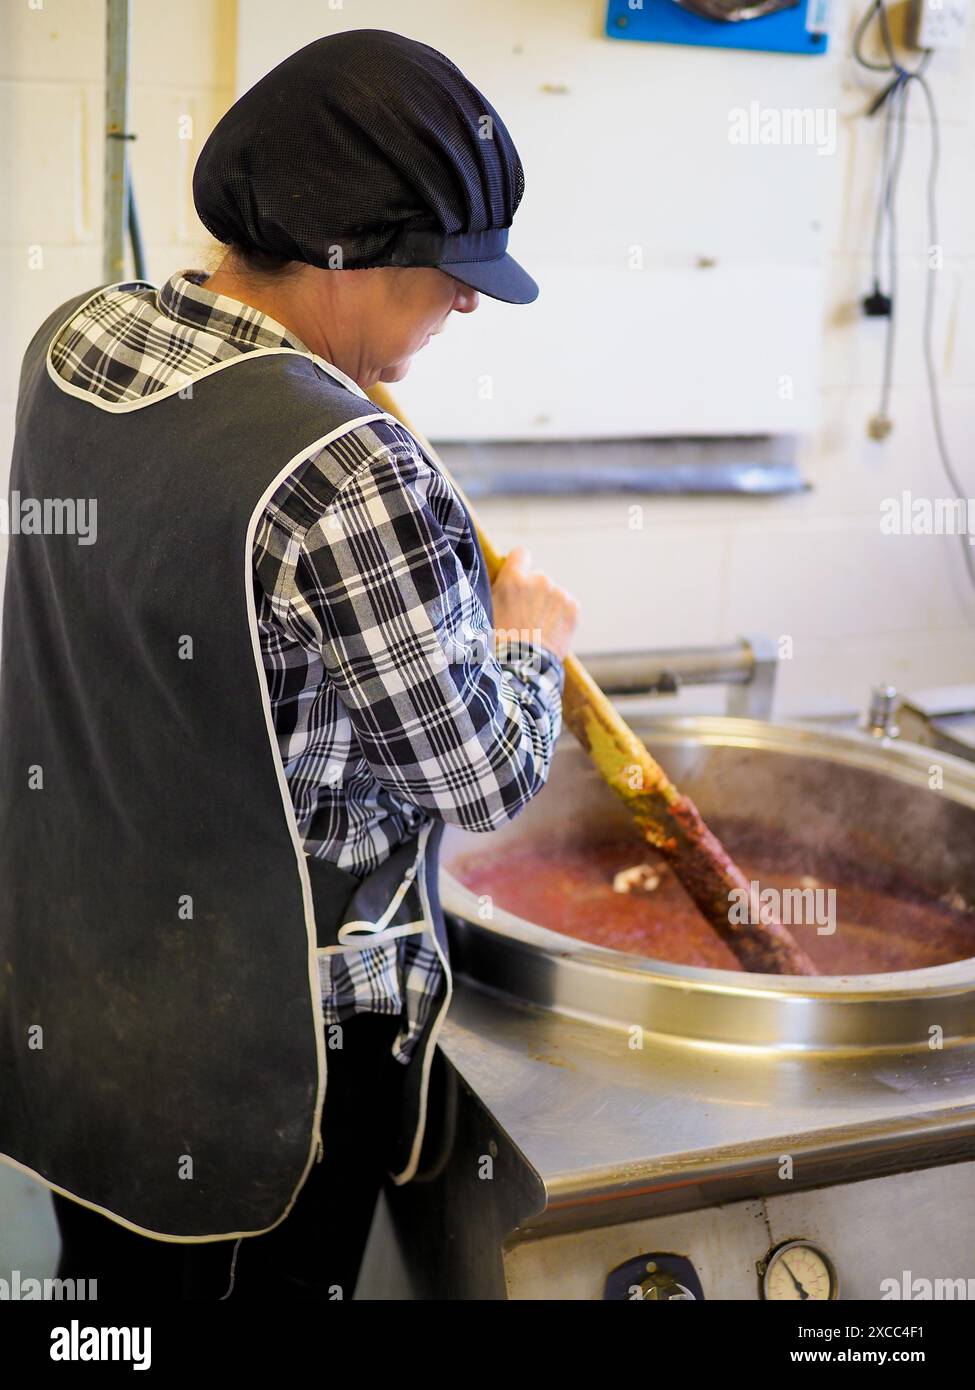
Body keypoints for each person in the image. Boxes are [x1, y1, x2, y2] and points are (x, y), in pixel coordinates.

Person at [0, 29, 578, 1299]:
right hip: (260, 1056)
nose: (468, 300)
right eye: (447, 270)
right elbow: (478, 775)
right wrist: (524, 636)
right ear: (343, 254)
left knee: (113, 1303)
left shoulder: (78, 343)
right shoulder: (352, 466)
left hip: (69, 985)